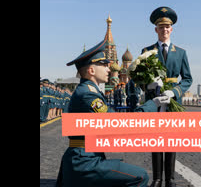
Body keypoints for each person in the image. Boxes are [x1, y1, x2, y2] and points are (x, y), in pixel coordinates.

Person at [56, 39, 171, 187]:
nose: (109, 69)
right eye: (104, 65)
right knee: (140, 177)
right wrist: (153, 104)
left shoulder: (88, 91)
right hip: (85, 162)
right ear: (91, 70)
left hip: (85, 157)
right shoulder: (87, 94)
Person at [141, 6, 193, 187]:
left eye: (167, 27)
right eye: (160, 27)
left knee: (171, 140)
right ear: (156, 29)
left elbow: (187, 79)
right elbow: (139, 78)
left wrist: (175, 91)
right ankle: (156, 178)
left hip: (172, 102)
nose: (164, 30)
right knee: (156, 140)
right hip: (154, 100)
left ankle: (170, 179)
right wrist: (148, 84)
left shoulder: (181, 53)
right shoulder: (147, 51)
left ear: (171, 29)